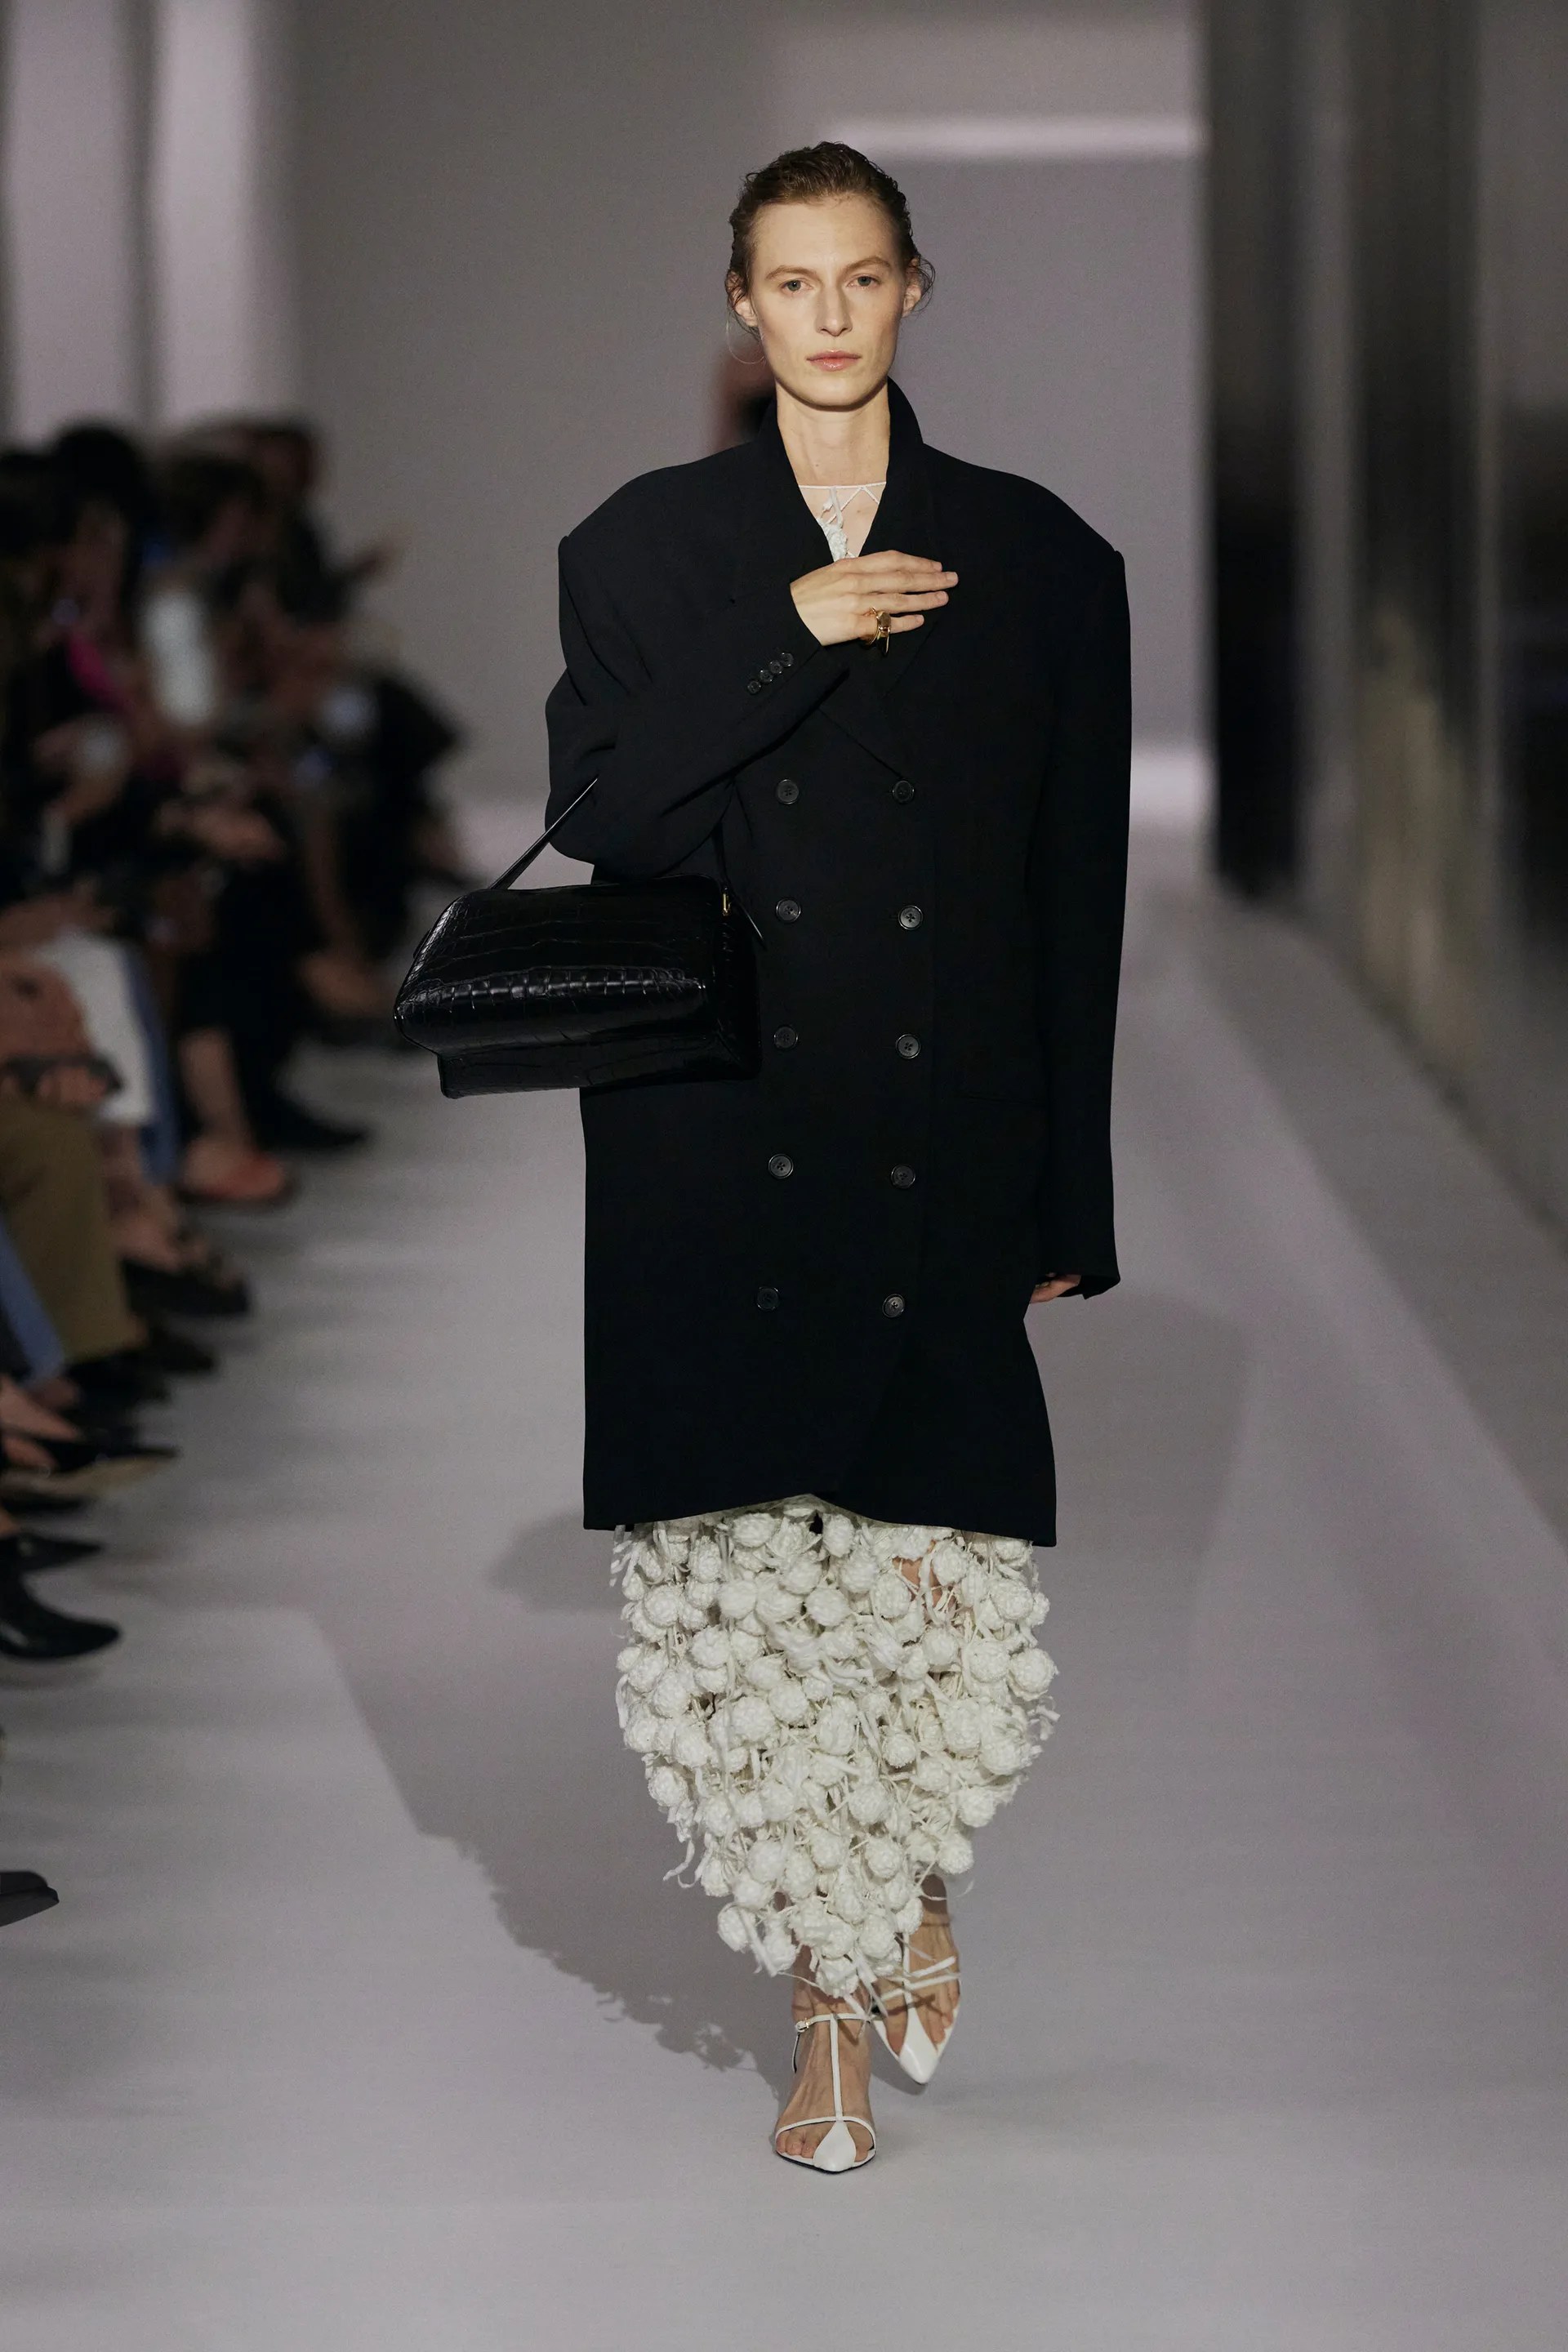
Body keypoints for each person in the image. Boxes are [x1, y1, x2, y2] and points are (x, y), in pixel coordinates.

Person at [545, 142, 1130, 2172]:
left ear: (912, 289)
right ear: (740, 301)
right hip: (713, 1124)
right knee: (747, 1610)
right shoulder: (642, 547)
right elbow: (604, 813)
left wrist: (1074, 1198)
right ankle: (823, 2015)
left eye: (859, 277)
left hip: (941, 1121)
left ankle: (913, 1887)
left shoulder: (1042, 557)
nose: (825, 315)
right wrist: (789, 629)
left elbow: (1073, 895)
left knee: (929, 1582)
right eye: (788, 282)